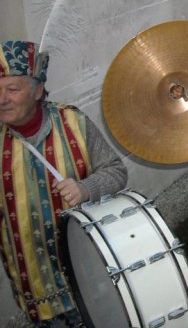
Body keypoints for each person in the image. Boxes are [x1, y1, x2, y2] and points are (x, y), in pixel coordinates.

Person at [0, 40, 128, 327]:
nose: (2, 99)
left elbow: (116, 171)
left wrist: (85, 188)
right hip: (34, 281)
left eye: (12, 89)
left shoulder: (73, 122)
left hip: (88, 272)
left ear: (37, 90)